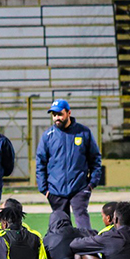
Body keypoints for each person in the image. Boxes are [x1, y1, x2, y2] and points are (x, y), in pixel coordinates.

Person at [35, 98, 103, 231]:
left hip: (79, 188)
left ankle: (88, 249)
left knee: (82, 222)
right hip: (55, 190)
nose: (56, 118)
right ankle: (62, 251)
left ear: (68, 113)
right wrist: (45, 189)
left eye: (60, 114)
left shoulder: (83, 133)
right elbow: (40, 163)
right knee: (60, 227)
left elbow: (95, 159)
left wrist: (91, 184)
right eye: (54, 115)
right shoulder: (48, 136)